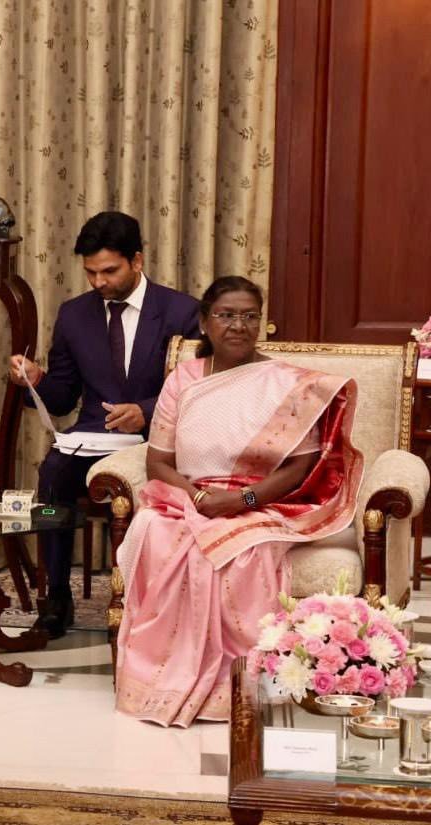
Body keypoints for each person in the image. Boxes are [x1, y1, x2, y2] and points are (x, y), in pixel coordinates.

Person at [114, 276, 363, 726]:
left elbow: (297, 469)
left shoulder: (288, 385)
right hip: (191, 496)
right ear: (205, 323)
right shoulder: (183, 380)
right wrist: (200, 497)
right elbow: (159, 463)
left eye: (250, 316)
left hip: (263, 500)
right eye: (227, 315)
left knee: (243, 549)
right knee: (154, 529)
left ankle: (240, 680)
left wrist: (242, 499)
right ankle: (158, 677)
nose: (239, 325)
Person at [8, 211, 200, 637]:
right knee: (53, 472)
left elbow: (197, 390)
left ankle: (145, 601)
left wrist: (146, 410)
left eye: (109, 271)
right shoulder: (75, 315)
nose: (98, 282)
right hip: (93, 440)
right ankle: (56, 597)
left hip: (158, 442)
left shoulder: (181, 312)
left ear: (137, 260)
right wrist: (36, 381)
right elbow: (61, 397)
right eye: (91, 273)